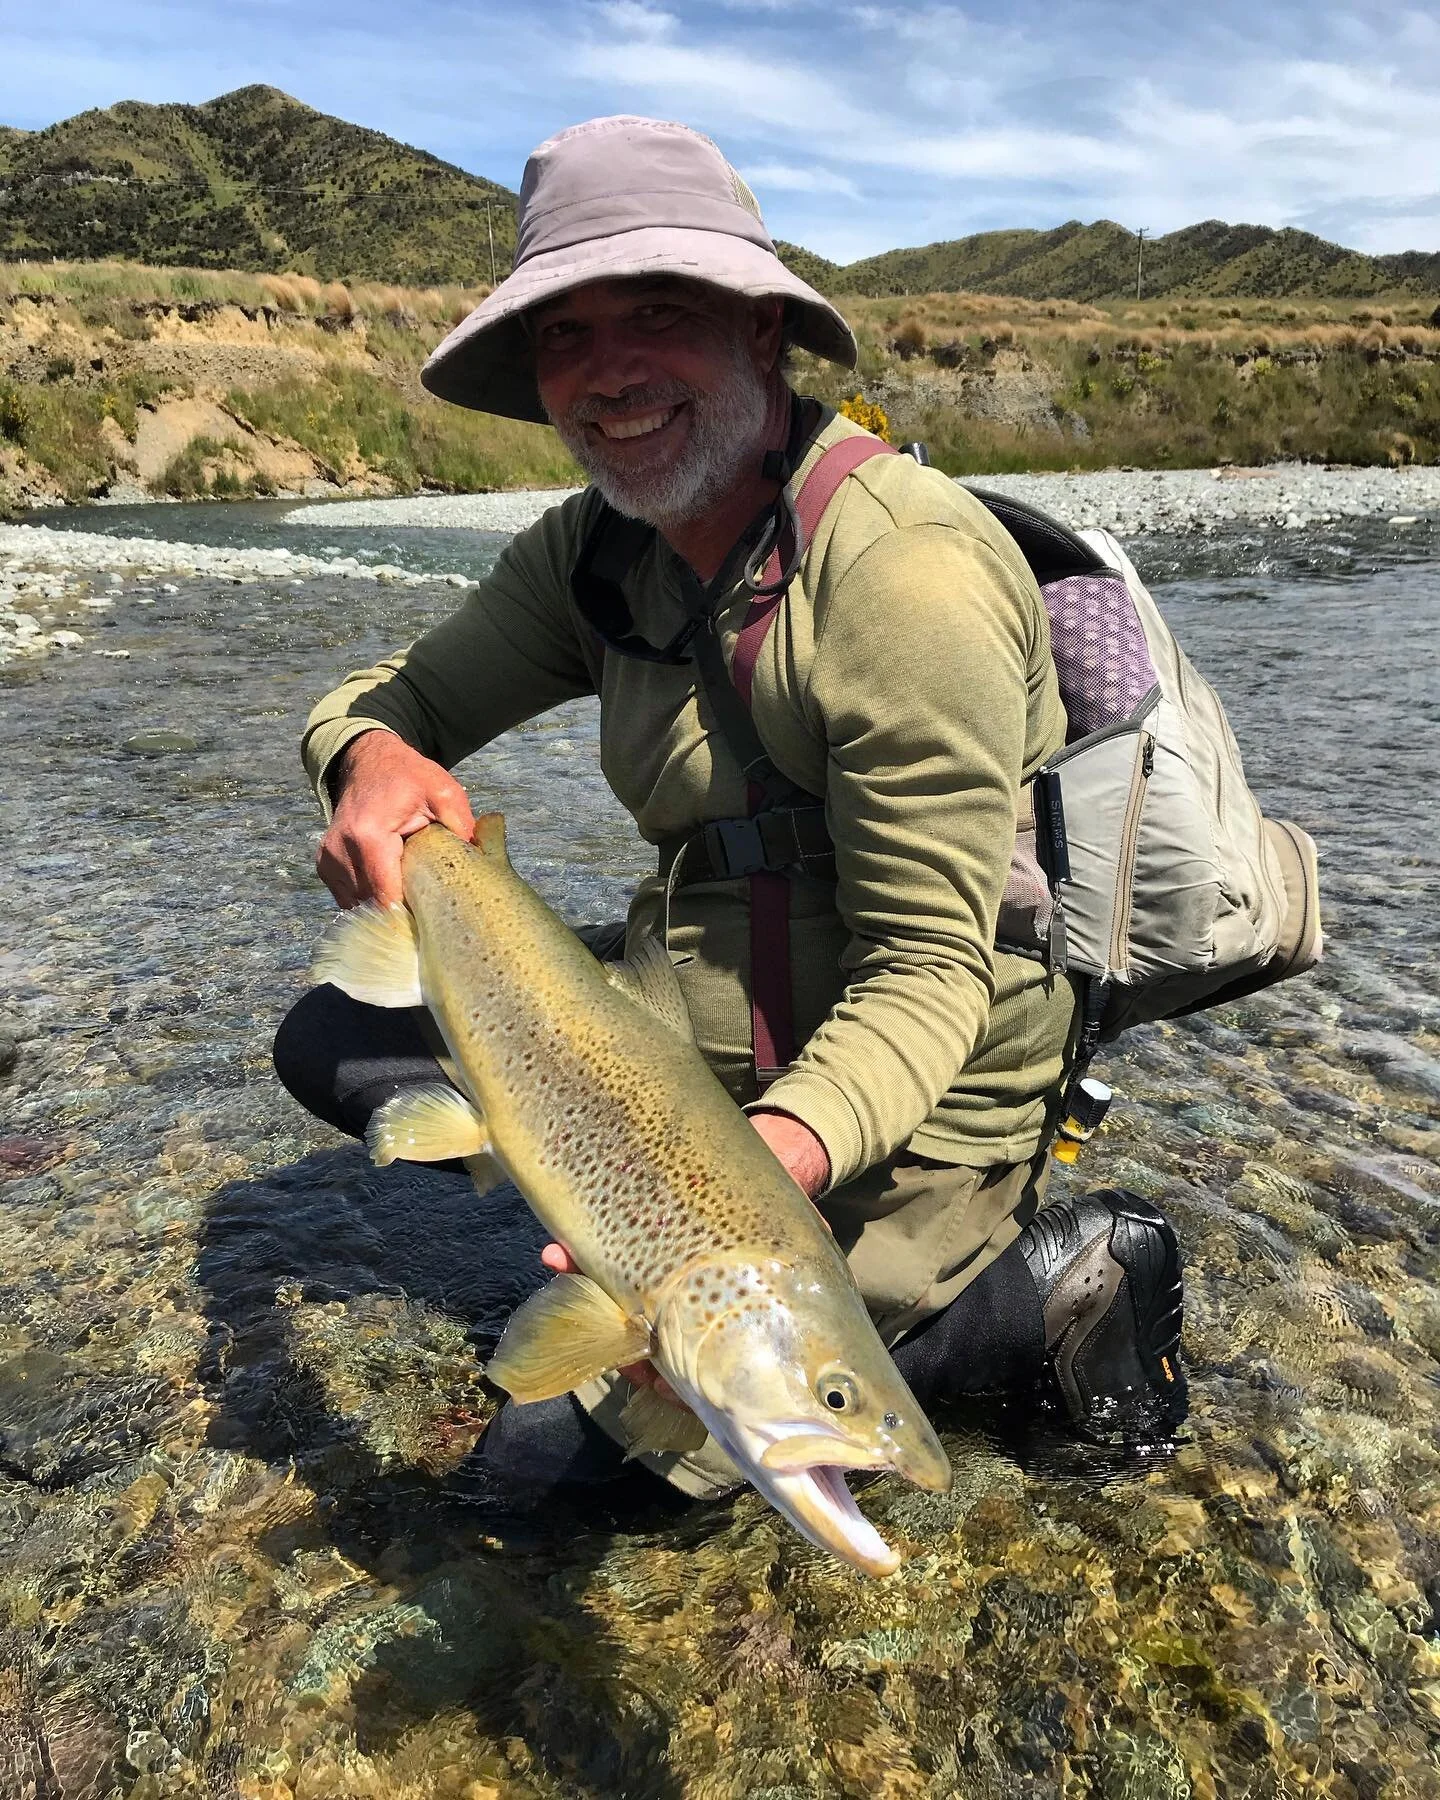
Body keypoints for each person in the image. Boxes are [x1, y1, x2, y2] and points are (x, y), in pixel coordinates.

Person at [274, 115, 1186, 1500]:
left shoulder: (905, 580)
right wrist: (366, 760)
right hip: (683, 1046)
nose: (609, 373)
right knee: (331, 1035)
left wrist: (730, 1206)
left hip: (897, 1094)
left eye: (659, 313)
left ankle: (1043, 1285)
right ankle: (602, 1223)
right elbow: (387, 704)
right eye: (567, 335)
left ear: (762, 333)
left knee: (534, 1477)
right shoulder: (596, 552)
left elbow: (929, 976)